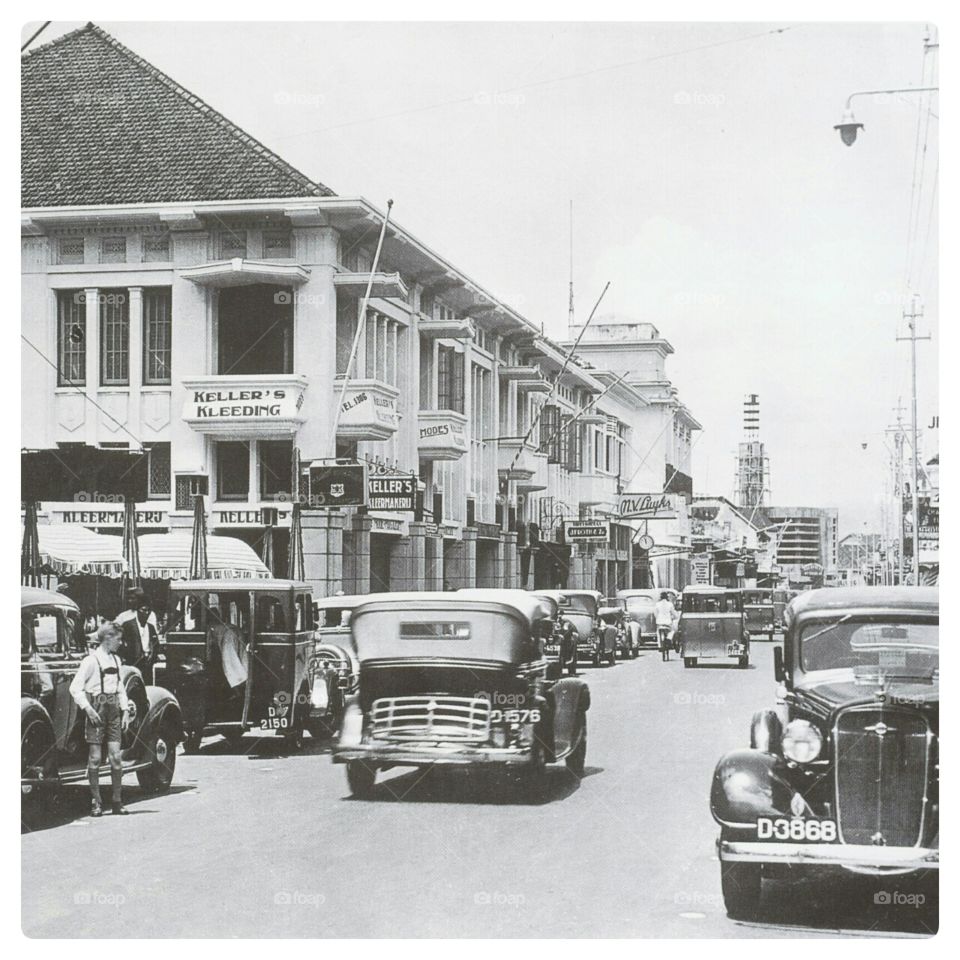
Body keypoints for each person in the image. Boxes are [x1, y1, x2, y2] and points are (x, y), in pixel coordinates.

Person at [68, 621, 132, 817]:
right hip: (96, 709)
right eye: (118, 639)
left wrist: (125, 710)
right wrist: (88, 709)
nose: (121, 643)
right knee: (95, 759)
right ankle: (96, 802)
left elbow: (120, 688)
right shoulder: (90, 661)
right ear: (107, 639)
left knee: (116, 758)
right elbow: (75, 688)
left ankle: (117, 801)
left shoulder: (117, 660)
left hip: (113, 710)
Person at [120, 599, 160, 681]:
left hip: (147, 667)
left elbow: (156, 645)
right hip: (133, 664)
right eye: (144, 610)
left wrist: (152, 657)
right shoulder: (128, 625)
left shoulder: (151, 627)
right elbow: (120, 644)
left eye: (149, 611)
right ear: (137, 610)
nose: (146, 613)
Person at [655, 591, 676, 662]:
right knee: (672, 631)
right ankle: (669, 639)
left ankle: (660, 646)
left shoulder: (657, 604)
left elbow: (655, 614)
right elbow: (674, 613)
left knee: (658, 633)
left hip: (659, 622)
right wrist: (674, 617)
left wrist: (658, 618)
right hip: (668, 622)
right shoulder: (670, 604)